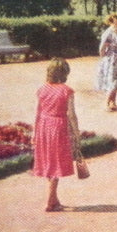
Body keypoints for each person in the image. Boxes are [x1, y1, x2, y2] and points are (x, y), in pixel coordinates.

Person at [32, 58, 83, 212]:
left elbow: (37, 112)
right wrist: (77, 132)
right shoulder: (67, 91)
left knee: (49, 161)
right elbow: (72, 115)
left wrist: (34, 132)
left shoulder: (42, 89)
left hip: (43, 126)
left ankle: (55, 200)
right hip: (58, 127)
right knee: (56, 163)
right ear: (64, 73)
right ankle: (49, 201)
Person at [96, 13, 117, 111]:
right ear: (113, 20)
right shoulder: (109, 32)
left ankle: (113, 103)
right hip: (112, 59)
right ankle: (106, 103)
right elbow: (102, 47)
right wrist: (105, 59)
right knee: (113, 81)